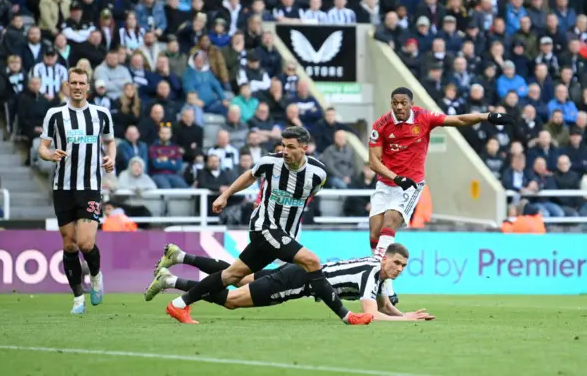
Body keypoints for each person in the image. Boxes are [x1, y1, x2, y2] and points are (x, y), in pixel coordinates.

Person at [165, 126, 373, 325]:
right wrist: (225, 195)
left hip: (284, 234)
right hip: (264, 227)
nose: (285, 151)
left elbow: (310, 194)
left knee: (232, 275)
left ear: (304, 148)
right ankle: (347, 316)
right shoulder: (269, 163)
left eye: (291, 147)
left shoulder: (318, 173)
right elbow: (249, 176)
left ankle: (179, 304)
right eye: (283, 145)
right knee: (312, 261)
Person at [367, 86, 515, 263]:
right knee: (374, 233)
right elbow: (374, 162)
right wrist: (396, 178)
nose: (399, 107)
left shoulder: (424, 117)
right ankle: (385, 286)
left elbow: (459, 119)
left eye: (403, 103)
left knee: (391, 220)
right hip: (387, 183)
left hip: (411, 184)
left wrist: (487, 116)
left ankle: (375, 267)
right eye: (395, 103)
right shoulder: (381, 125)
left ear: (411, 104)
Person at [147, 242, 433, 321]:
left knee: (238, 274)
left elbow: (383, 304)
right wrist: (405, 320)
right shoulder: (373, 272)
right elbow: (371, 314)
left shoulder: (378, 273)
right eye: (396, 263)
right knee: (233, 300)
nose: (399, 269)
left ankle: (179, 256)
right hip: (299, 280)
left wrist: (404, 313)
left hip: (299, 273)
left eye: (403, 266)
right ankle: (173, 281)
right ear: (385, 259)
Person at [38, 67, 116, 314]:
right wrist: (50, 155)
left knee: (85, 242)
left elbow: (109, 141)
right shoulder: (55, 114)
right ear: (67, 86)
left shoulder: (101, 114)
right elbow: (43, 147)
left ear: (88, 87)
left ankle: (95, 275)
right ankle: (77, 298)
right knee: (70, 245)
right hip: (63, 188)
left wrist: (111, 158)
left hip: (90, 187)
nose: (78, 87)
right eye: (73, 83)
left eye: (82, 83)